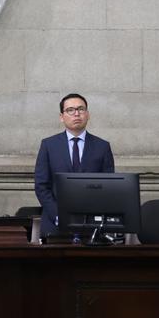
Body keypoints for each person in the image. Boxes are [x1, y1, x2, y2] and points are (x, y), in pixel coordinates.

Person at [34, 93, 115, 237]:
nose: (76, 114)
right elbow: (41, 186)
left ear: (88, 114)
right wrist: (58, 215)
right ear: (61, 117)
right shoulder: (48, 145)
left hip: (92, 226)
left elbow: (108, 187)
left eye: (81, 109)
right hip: (55, 225)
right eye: (70, 110)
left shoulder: (102, 147)